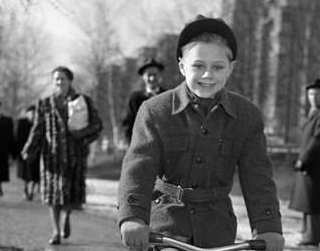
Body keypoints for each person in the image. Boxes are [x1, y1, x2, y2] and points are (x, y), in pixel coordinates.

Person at [118, 15, 285, 251]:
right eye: (198, 66)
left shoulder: (247, 116)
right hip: (167, 226)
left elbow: (258, 176)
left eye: (218, 67)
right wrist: (133, 216)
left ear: (231, 68)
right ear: (182, 66)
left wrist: (268, 227)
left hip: (217, 228)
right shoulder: (156, 110)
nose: (208, 75)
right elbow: (139, 166)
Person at [21, 66, 103, 245]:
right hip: (51, 156)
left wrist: (81, 137)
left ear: (70, 81)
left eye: (63, 79)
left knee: (70, 192)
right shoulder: (44, 104)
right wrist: (29, 149)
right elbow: (38, 130)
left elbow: (97, 125)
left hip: (75, 156)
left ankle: (66, 216)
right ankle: (56, 231)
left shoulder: (83, 101)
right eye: (56, 79)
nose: (59, 82)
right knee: (52, 195)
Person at [288, 78, 320, 247]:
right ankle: (313, 233)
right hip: (312, 165)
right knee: (309, 201)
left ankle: (312, 237)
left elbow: (318, 140)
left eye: (317, 94)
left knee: (312, 202)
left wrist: (304, 159)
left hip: (316, 166)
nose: (313, 97)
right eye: (310, 94)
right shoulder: (317, 113)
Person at [122, 58, 167, 144]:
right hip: (142, 145)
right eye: (149, 75)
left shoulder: (168, 96)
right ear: (143, 77)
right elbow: (128, 125)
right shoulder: (135, 98)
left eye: (155, 74)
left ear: (160, 76)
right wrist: (132, 146)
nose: (152, 78)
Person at [15, 105, 39, 201]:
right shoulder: (21, 123)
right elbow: (17, 138)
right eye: (31, 113)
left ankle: (31, 192)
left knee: (35, 174)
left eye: (34, 113)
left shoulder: (38, 123)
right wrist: (19, 152)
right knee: (25, 174)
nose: (33, 115)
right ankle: (25, 189)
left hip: (36, 152)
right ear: (27, 114)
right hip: (24, 151)